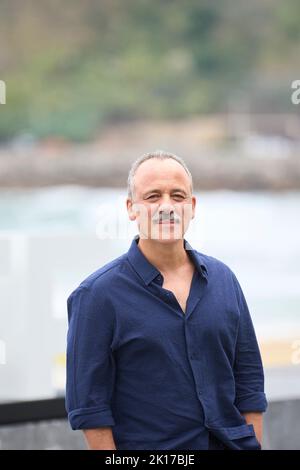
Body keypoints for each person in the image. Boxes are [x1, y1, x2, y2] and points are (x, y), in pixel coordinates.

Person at [66, 150, 267, 450]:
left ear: (192, 206)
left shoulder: (224, 280)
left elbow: (249, 381)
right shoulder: (96, 296)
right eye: (153, 196)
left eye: (177, 196)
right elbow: (90, 408)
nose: (167, 207)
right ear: (131, 208)